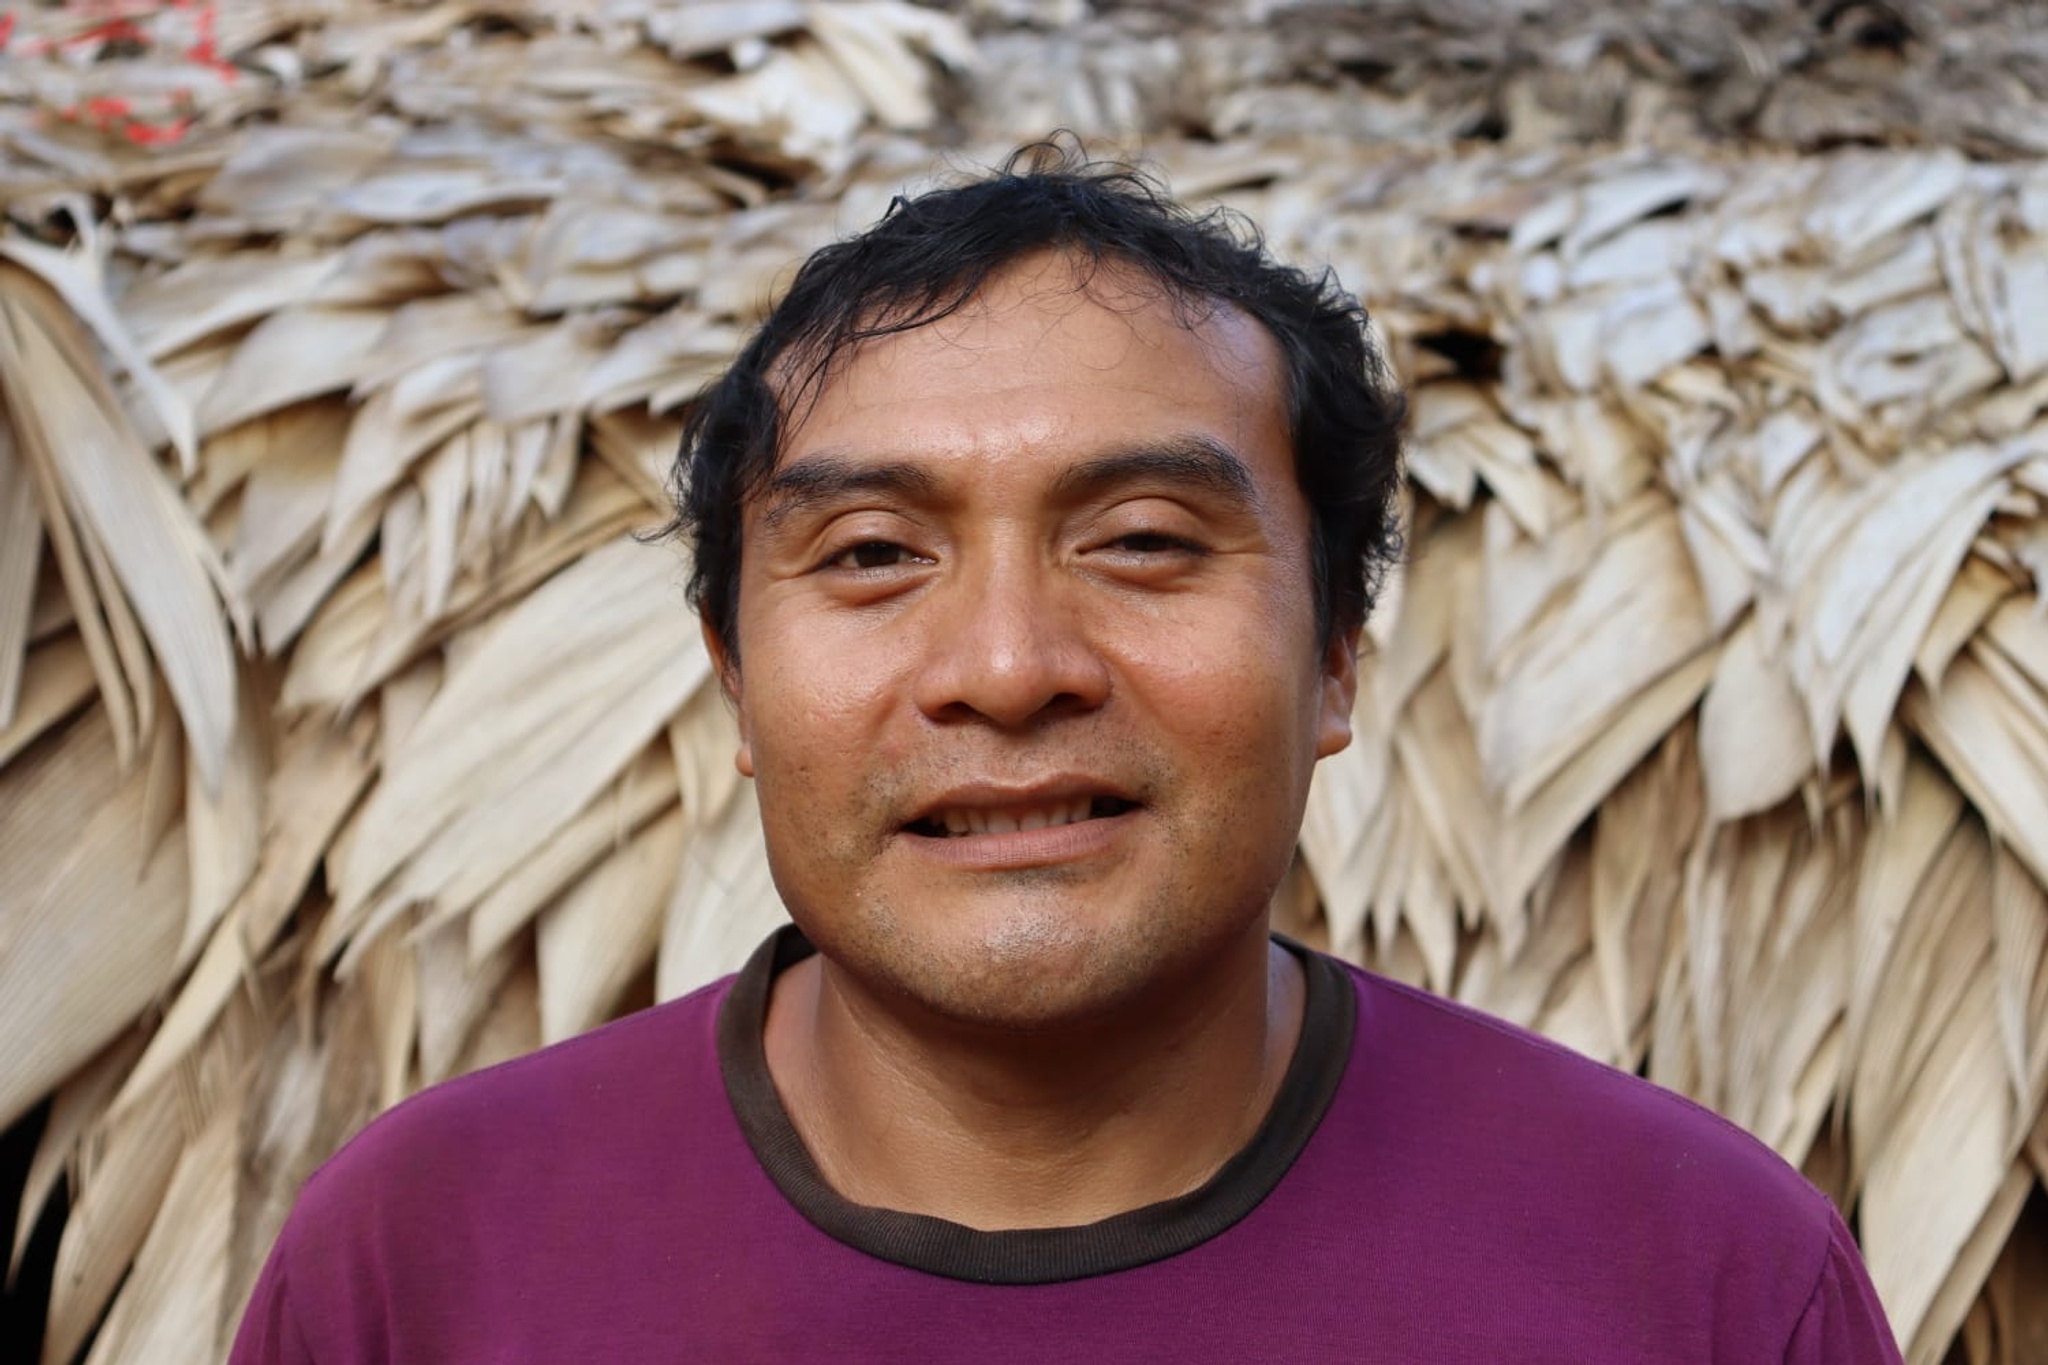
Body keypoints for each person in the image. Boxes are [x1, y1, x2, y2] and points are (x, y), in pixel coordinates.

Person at [228, 142, 1902, 1363]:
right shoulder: (422, 1264)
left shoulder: (1700, 1279)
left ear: (1334, 654)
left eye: (1146, 539)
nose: (1010, 668)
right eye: (876, 553)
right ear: (736, 680)